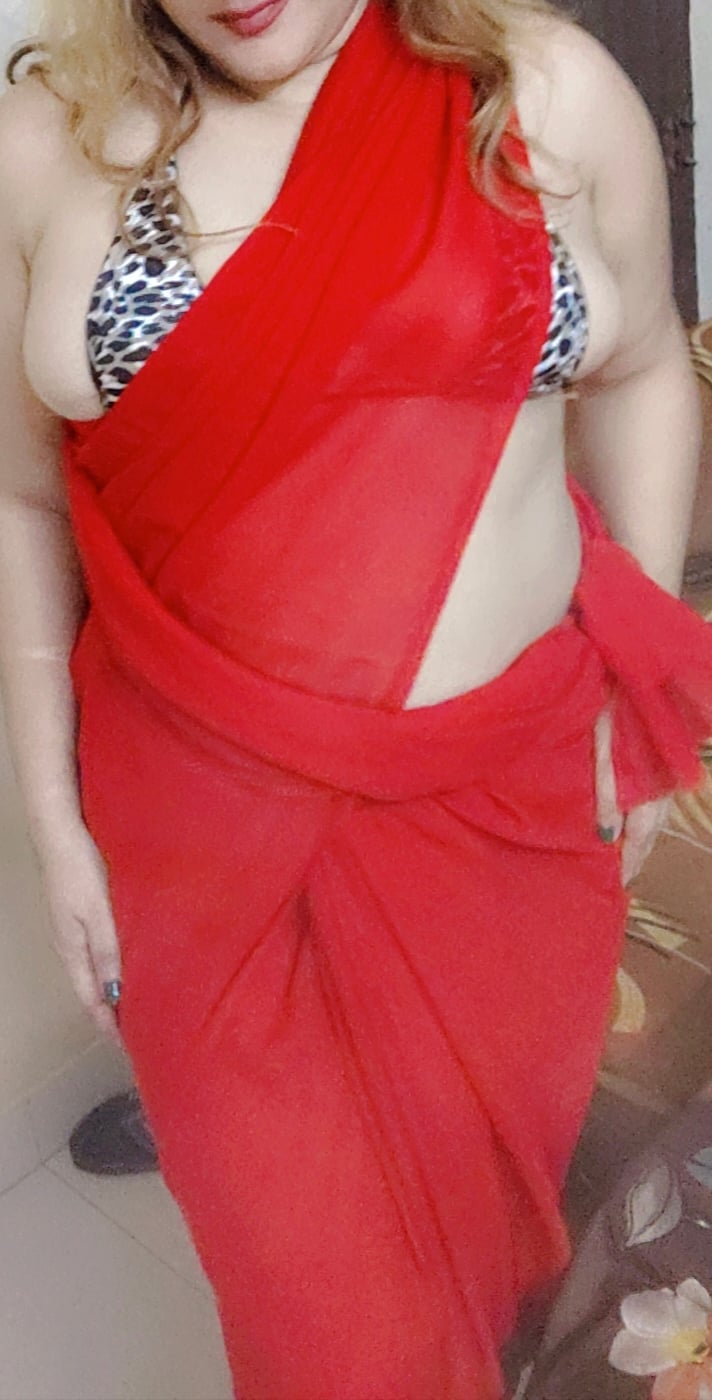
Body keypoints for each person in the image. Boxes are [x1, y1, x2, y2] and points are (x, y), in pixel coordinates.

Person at [0, 0, 711, 1395]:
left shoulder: (540, 97)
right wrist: (53, 818)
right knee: (326, 1332)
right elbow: (23, 498)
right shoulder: (44, 145)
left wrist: (636, 685)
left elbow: (638, 371)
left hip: (505, 819)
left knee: (469, 1237)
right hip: (195, 843)